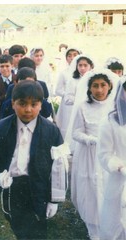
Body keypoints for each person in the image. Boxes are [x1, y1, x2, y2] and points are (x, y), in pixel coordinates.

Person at [0, 80, 63, 239]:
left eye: (34, 104)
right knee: (19, 227)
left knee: (39, 229)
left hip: (39, 187)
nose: (28, 109)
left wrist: (55, 199)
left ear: (41, 104)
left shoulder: (51, 131)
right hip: (13, 186)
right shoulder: (0, 127)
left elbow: (59, 166)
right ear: (13, 103)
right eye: (22, 103)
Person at [69, 69, 118, 240]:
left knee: (110, 190)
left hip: (111, 155)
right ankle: (94, 230)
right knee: (91, 191)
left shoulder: (116, 106)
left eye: (103, 85)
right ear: (89, 88)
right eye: (95, 86)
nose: (99, 90)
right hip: (90, 155)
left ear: (110, 86)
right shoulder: (83, 106)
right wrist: (91, 140)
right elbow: (75, 133)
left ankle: (111, 226)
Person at [97, 78, 126, 240]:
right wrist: (121, 167)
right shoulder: (110, 122)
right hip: (120, 179)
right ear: (121, 93)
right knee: (116, 224)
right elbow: (104, 154)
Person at [64, 54, 94, 152]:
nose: (82, 68)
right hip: (78, 110)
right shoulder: (73, 80)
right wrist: (79, 100)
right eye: (80, 65)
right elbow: (67, 99)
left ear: (91, 66)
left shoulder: (94, 79)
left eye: (85, 65)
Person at [55, 48, 81, 138]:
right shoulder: (64, 73)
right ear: (66, 59)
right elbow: (58, 90)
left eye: (75, 55)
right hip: (68, 105)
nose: (72, 57)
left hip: (81, 103)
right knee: (67, 124)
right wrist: (69, 95)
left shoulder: (84, 72)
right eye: (69, 56)